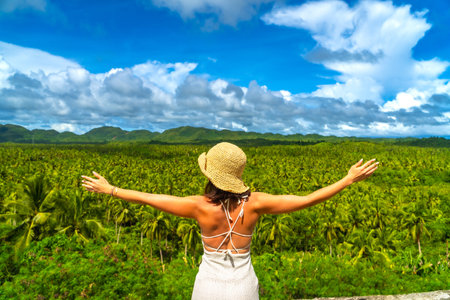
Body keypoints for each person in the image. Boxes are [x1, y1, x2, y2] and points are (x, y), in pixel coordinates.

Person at [81, 142, 378, 300]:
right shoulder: (257, 203)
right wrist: (348, 179)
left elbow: (149, 197)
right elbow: (307, 199)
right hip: (243, 288)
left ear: (209, 174)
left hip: (208, 287)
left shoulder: (199, 207)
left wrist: (111, 189)